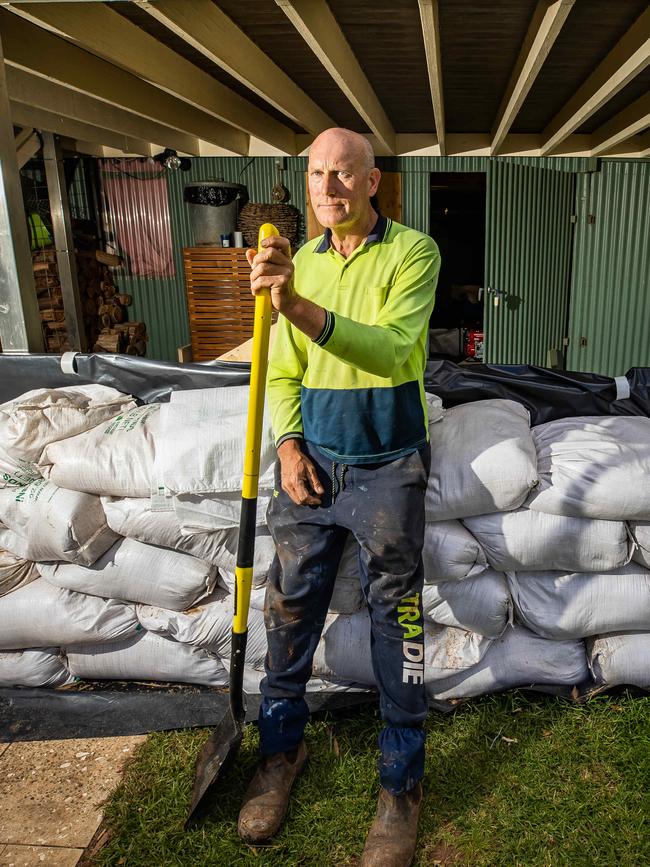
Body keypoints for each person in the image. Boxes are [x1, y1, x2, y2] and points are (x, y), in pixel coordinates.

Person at [239, 127, 441, 866]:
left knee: (401, 620)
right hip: (314, 464)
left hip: (388, 464)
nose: (328, 188)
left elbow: (391, 353)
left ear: (372, 182)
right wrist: (288, 444)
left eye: (343, 174)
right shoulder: (303, 265)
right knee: (289, 609)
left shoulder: (413, 254)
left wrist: (293, 304)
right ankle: (279, 754)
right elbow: (285, 372)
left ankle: (400, 783)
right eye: (317, 174)